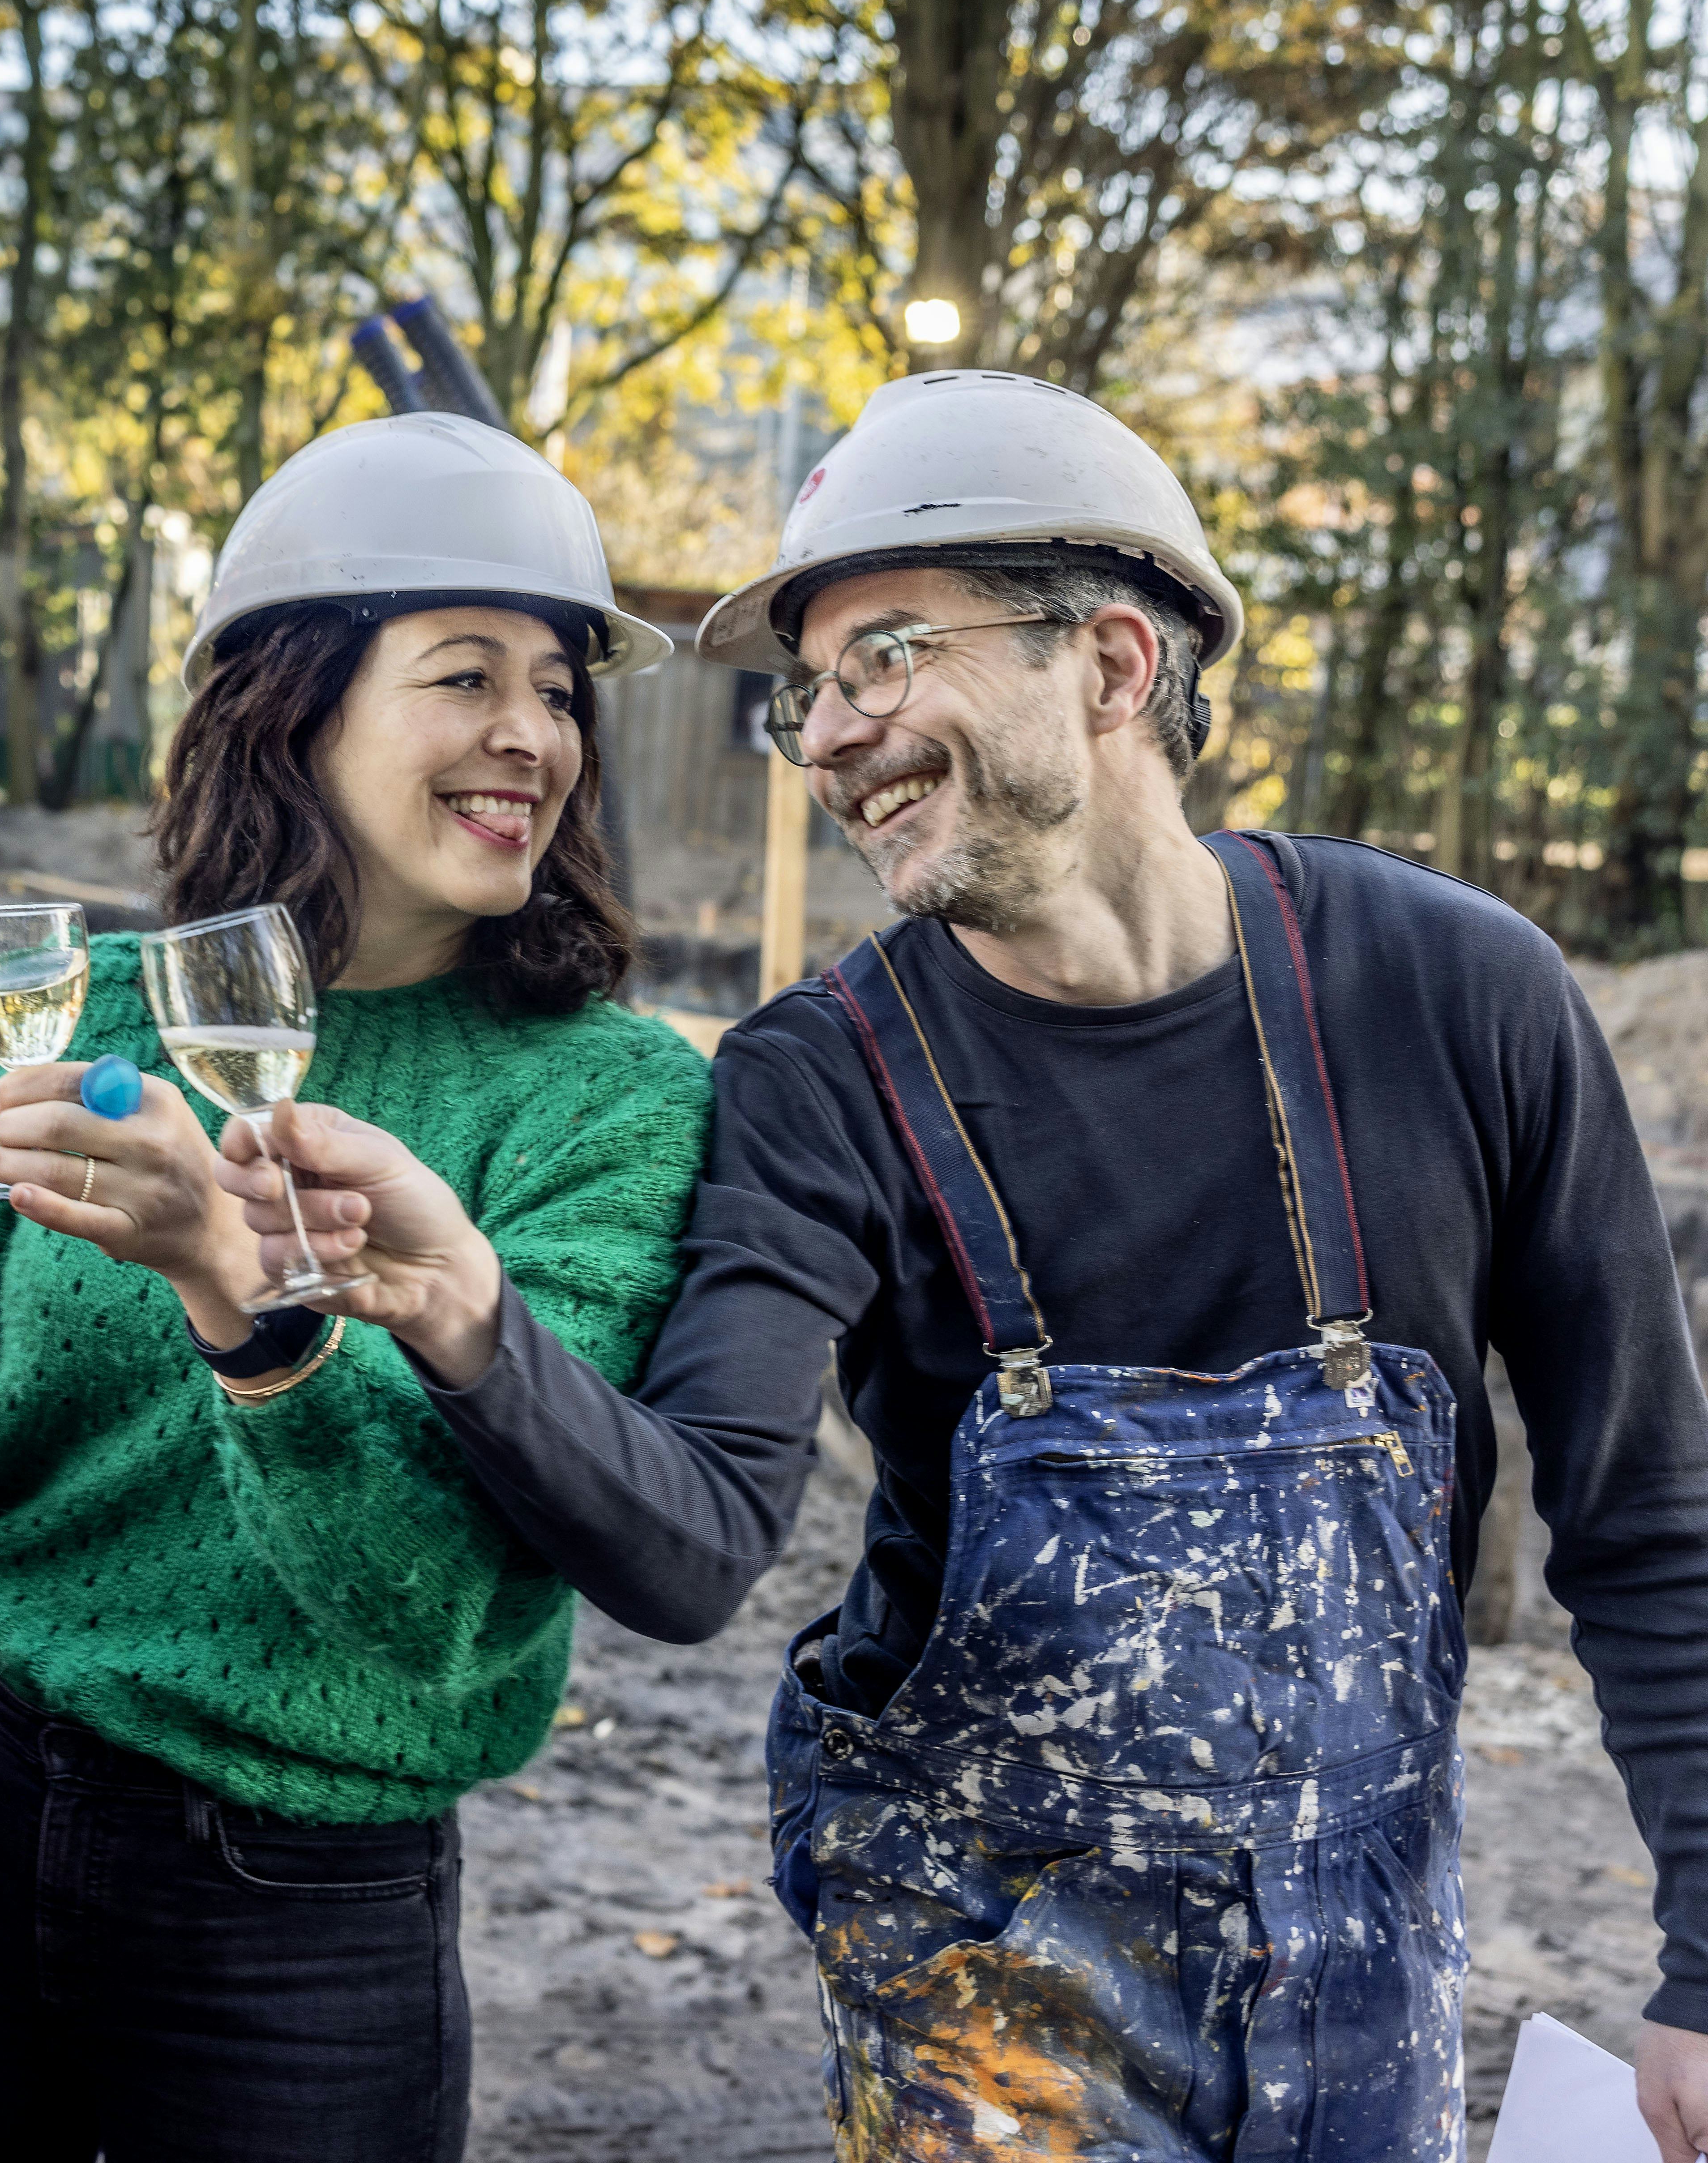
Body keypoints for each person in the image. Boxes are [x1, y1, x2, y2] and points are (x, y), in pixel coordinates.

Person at [643, 369, 1708, 2160]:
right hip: (983, 2030)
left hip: (1361, 1991)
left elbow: (1647, 1516)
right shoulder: (816, 1082)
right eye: (807, 691)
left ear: (1115, 667)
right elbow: (685, 1529)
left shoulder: (1461, 996)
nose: (825, 735)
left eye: (885, 655)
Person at [0, 412, 821, 2163]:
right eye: (465, 676)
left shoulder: (607, 1102)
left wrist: (245, 1302)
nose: (528, 735)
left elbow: (431, 1606)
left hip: (298, 1909)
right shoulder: (83, 1016)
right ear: (288, 705)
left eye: (556, 692)